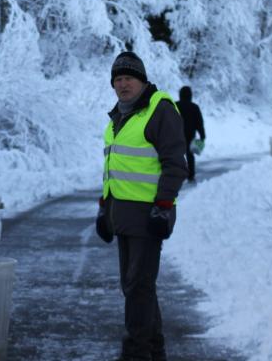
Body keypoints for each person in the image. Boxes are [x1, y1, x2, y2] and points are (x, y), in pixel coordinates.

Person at [99, 51, 187, 361]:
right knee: (136, 287)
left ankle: (135, 353)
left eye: (129, 78)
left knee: (138, 287)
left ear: (142, 80)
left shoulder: (158, 110)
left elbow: (176, 163)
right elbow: (112, 167)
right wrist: (103, 207)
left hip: (150, 215)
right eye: (118, 79)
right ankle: (154, 350)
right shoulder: (118, 117)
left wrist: (163, 206)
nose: (123, 84)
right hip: (122, 215)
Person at [175, 86, 206, 182]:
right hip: (190, 135)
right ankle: (191, 176)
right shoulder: (194, 107)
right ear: (190, 95)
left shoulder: (175, 105)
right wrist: (202, 135)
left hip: (176, 135)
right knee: (190, 155)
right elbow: (199, 123)